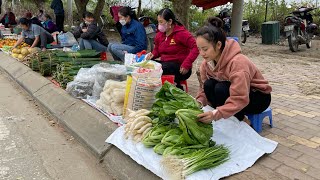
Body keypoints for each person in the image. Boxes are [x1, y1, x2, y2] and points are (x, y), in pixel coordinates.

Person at [195, 17, 272, 124]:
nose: (202, 53)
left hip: (257, 97)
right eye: (199, 49)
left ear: (218, 45)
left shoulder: (238, 62)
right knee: (209, 84)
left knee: (220, 88)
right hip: (235, 94)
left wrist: (215, 114)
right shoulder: (206, 64)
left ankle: (243, 120)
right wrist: (198, 102)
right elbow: (203, 88)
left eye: (205, 49)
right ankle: (228, 115)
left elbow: (240, 97)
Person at [146, 8, 199, 89]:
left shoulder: (181, 33)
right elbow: (157, 49)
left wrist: (187, 64)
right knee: (147, 65)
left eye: (161, 22)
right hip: (165, 64)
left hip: (181, 68)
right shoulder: (160, 35)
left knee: (163, 68)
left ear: (170, 21)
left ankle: (176, 87)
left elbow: (196, 47)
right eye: (158, 22)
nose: (159, 25)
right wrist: (152, 55)